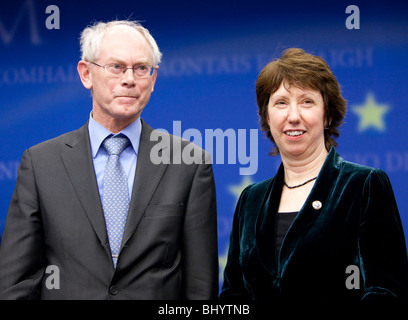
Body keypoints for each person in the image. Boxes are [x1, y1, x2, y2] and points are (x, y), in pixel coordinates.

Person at [0, 20, 218, 299]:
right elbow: (16, 283)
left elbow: (200, 287)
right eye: (116, 67)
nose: (129, 79)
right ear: (86, 73)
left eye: (141, 68)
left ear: (153, 79)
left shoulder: (188, 163)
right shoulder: (41, 164)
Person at [220, 48, 408, 303]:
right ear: (267, 115)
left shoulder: (363, 185)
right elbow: (234, 295)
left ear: (328, 114)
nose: (293, 116)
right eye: (281, 103)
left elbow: (386, 292)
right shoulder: (250, 200)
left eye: (307, 101)